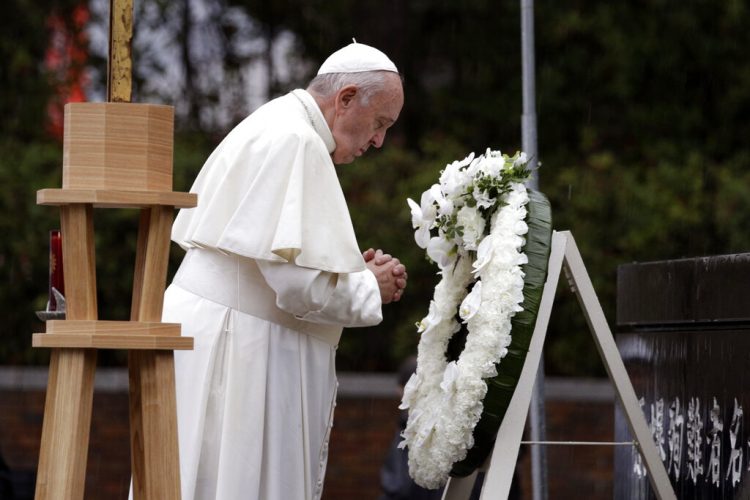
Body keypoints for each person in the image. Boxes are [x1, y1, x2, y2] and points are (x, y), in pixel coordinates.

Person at [163, 41, 407, 500]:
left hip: (220, 335)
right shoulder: (296, 141)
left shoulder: (275, 121)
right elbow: (299, 288)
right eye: (380, 124)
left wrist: (351, 271)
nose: (379, 141)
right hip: (239, 350)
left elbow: (278, 259)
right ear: (347, 98)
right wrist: (369, 286)